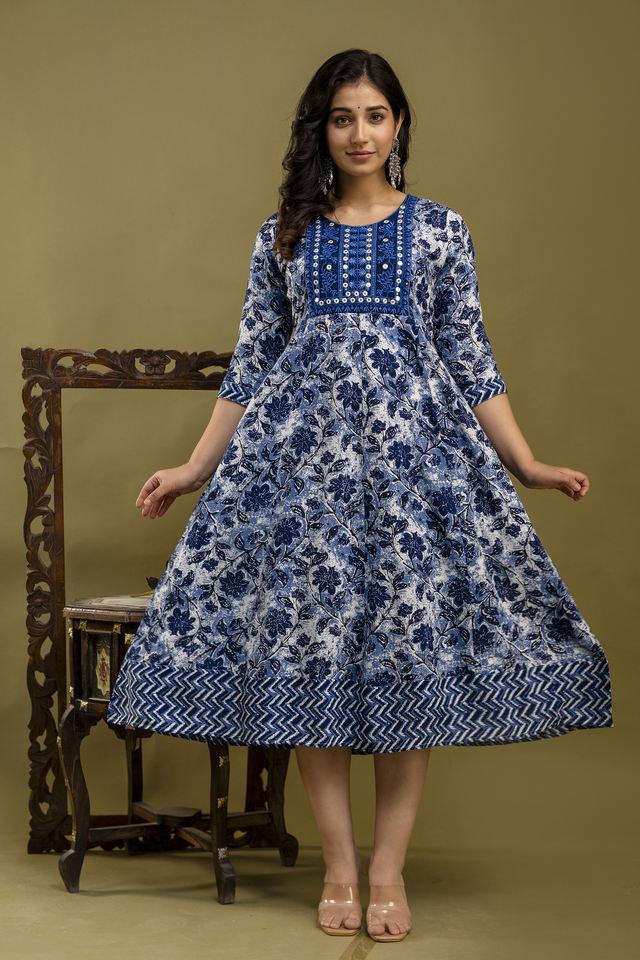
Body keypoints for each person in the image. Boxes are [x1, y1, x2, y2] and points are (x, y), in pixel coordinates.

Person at [106, 49, 614, 942]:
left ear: (399, 124)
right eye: (343, 117)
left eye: (375, 115)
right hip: (306, 484)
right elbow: (253, 364)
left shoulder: (440, 230)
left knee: (407, 665)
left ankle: (387, 870)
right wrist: (192, 469)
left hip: (416, 480)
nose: (360, 133)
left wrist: (527, 462)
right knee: (313, 664)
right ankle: (339, 865)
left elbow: (470, 356)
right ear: (322, 129)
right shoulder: (284, 236)